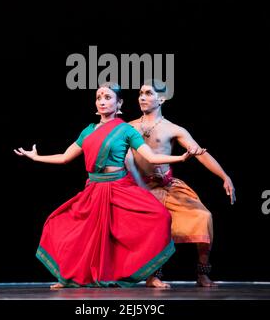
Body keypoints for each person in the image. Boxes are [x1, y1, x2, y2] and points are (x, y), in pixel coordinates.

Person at [14, 83, 194, 289]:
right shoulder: (88, 131)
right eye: (99, 97)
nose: (102, 101)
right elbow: (65, 157)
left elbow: (151, 157)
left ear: (119, 103)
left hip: (119, 188)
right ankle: (69, 277)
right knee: (64, 226)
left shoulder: (126, 130)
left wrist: (180, 157)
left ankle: (151, 276)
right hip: (94, 189)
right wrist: (36, 158)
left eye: (108, 97)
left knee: (160, 217)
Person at [126, 82, 236, 288]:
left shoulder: (173, 129)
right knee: (158, 223)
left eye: (148, 93)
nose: (142, 97)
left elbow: (199, 154)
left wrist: (224, 176)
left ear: (162, 99)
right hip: (140, 188)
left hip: (168, 186)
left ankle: (202, 274)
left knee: (203, 217)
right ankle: (153, 275)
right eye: (140, 93)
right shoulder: (128, 127)